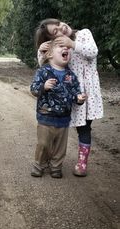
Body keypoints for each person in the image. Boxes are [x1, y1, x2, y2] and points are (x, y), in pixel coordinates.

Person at [35, 18, 103, 177]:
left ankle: (82, 163)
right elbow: (46, 67)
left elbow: (93, 51)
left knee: (84, 127)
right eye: (55, 32)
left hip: (87, 93)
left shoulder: (84, 34)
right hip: (67, 93)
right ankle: (49, 160)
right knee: (58, 127)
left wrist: (72, 44)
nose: (61, 29)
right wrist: (42, 51)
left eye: (59, 24)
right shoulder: (60, 47)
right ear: (52, 40)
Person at [30, 40, 86, 178]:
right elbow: (34, 89)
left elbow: (75, 93)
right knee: (44, 144)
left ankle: (56, 166)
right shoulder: (43, 71)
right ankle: (39, 164)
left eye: (67, 47)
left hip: (64, 119)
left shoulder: (71, 75)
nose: (66, 48)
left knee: (60, 147)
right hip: (45, 116)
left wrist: (79, 99)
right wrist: (44, 86)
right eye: (61, 46)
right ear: (49, 54)